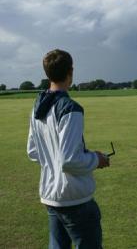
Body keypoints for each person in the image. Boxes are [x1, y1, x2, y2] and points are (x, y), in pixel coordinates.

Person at [27, 49, 109, 249]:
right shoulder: (70, 108)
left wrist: (53, 160)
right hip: (75, 199)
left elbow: (33, 151)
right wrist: (97, 159)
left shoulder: (38, 107)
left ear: (47, 73)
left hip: (51, 196)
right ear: (70, 72)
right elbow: (69, 160)